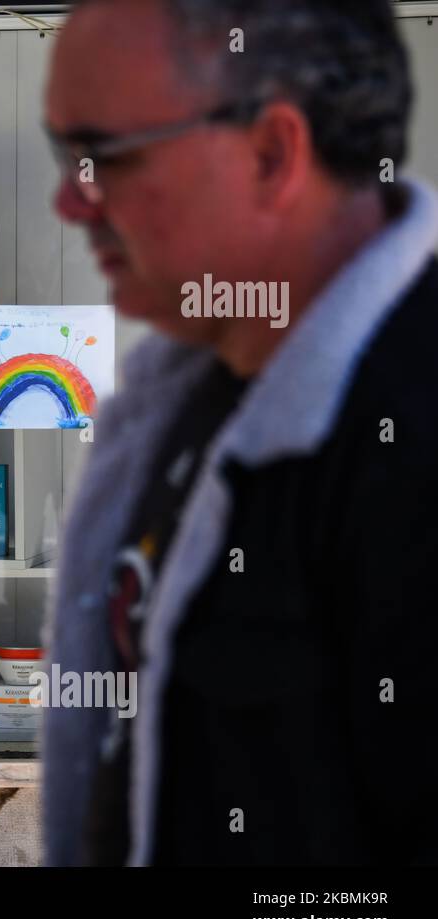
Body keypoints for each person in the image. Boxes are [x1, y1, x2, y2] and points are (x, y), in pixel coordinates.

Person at [42, 0, 438, 865]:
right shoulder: (192, 393)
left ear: (272, 153)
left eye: (102, 155)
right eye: (62, 154)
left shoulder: (410, 438)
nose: (69, 201)